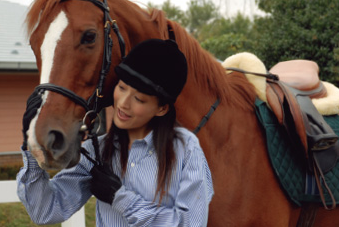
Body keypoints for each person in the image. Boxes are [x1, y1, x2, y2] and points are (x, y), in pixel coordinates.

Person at [16, 39, 214, 226]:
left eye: (139, 99)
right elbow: (45, 211)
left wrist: (119, 198)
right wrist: (31, 144)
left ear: (162, 108)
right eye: (122, 88)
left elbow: (191, 223)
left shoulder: (186, 150)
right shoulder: (97, 151)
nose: (123, 103)